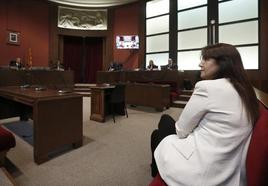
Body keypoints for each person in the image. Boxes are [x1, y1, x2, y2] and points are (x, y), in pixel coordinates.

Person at [150, 43, 259, 186]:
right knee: (163, 124)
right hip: (229, 166)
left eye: (206, 59)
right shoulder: (245, 89)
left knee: (160, 129)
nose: (200, 64)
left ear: (223, 63)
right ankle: (156, 169)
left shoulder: (207, 87)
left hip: (204, 168)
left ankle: (157, 172)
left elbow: (181, 131)